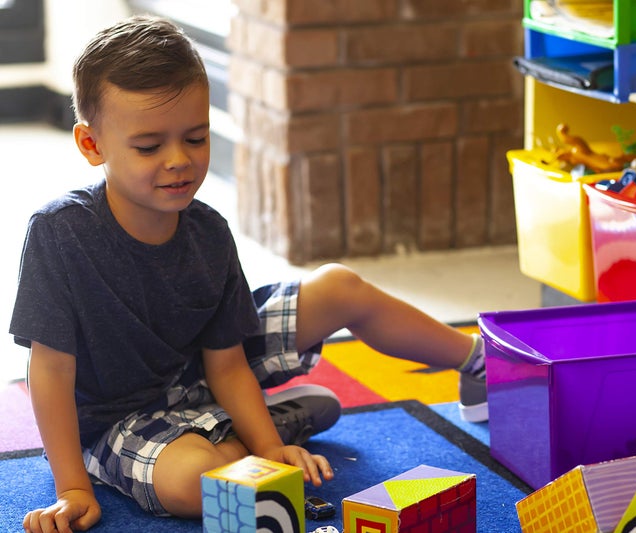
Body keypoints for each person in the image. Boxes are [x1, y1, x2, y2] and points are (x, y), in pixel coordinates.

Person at [9, 14, 487, 533]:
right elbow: (50, 374)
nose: (178, 161)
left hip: (204, 377)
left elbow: (228, 362)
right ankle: (274, 422)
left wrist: (267, 450)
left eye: (195, 138)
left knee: (339, 287)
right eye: (149, 147)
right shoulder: (59, 233)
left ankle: (483, 363)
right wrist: (73, 487)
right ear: (91, 144)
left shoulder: (208, 230)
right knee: (200, 481)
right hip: (120, 419)